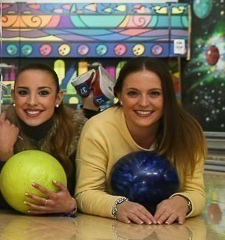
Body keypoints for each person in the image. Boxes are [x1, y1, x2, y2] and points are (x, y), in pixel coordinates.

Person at [75, 57, 206, 226]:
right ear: (119, 95)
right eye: (133, 93)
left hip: (167, 229)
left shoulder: (188, 132)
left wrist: (183, 201)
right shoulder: (98, 128)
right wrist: (117, 206)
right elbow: (86, 193)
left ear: (167, 96)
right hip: (117, 234)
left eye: (154, 93)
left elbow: (196, 191)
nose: (144, 103)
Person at [0, 61, 85, 214]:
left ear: (58, 98)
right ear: (13, 96)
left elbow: (86, 193)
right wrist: (4, 153)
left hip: (62, 228)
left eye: (43, 93)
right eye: (23, 92)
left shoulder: (79, 130)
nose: (32, 102)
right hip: (7, 228)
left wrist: (71, 205)